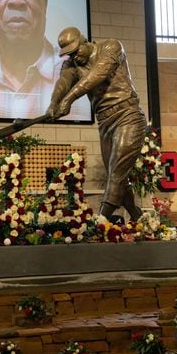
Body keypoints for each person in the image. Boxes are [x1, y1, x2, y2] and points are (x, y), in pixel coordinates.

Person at [45, 27, 146, 222]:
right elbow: (63, 84)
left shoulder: (111, 46)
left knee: (116, 171)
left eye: (75, 51)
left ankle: (102, 219)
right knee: (117, 174)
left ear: (84, 41)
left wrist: (69, 100)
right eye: (69, 54)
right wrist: (54, 103)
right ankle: (136, 215)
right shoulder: (71, 64)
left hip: (128, 115)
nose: (74, 57)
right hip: (105, 122)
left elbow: (98, 74)